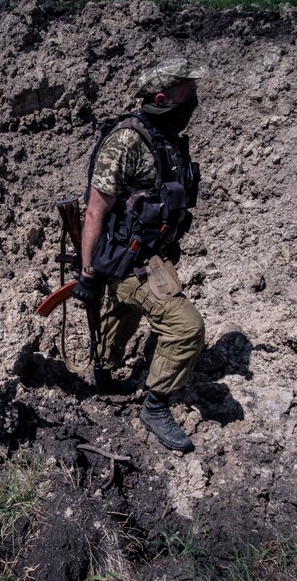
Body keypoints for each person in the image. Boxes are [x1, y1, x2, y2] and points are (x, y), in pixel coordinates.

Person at [73, 57, 207, 452]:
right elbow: (95, 209)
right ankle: (155, 405)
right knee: (187, 329)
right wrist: (87, 274)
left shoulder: (166, 136)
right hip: (127, 261)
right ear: (162, 98)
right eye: (187, 98)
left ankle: (105, 369)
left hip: (149, 254)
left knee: (121, 318)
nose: (194, 104)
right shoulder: (127, 142)